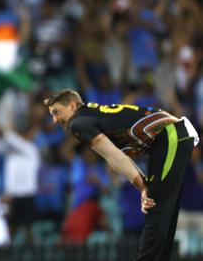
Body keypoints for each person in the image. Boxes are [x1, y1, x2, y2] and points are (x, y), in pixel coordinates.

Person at [44, 89, 199, 260]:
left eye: (57, 112)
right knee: (164, 210)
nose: (55, 120)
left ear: (73, 106)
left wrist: (142, 187)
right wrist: (144, 185)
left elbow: (115, 156)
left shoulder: (78, 123)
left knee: (156, 207)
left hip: (170, 135)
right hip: (172, 135)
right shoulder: (91, 114)